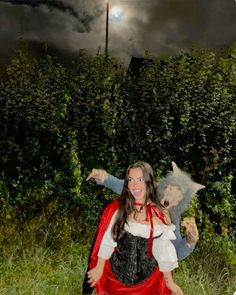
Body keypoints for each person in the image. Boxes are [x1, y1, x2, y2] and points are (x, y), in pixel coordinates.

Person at [83, 161, 205, 294]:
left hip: (145, 278)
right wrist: (104, 177)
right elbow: (122, 185)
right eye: (170, 189)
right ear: (163, 186)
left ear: (181, 201)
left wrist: (190, 241)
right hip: (117, 261)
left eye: (178, 195)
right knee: (98, 251)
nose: (170, 198)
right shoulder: (145, 192)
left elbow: (174, 253)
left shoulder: (171, 219)